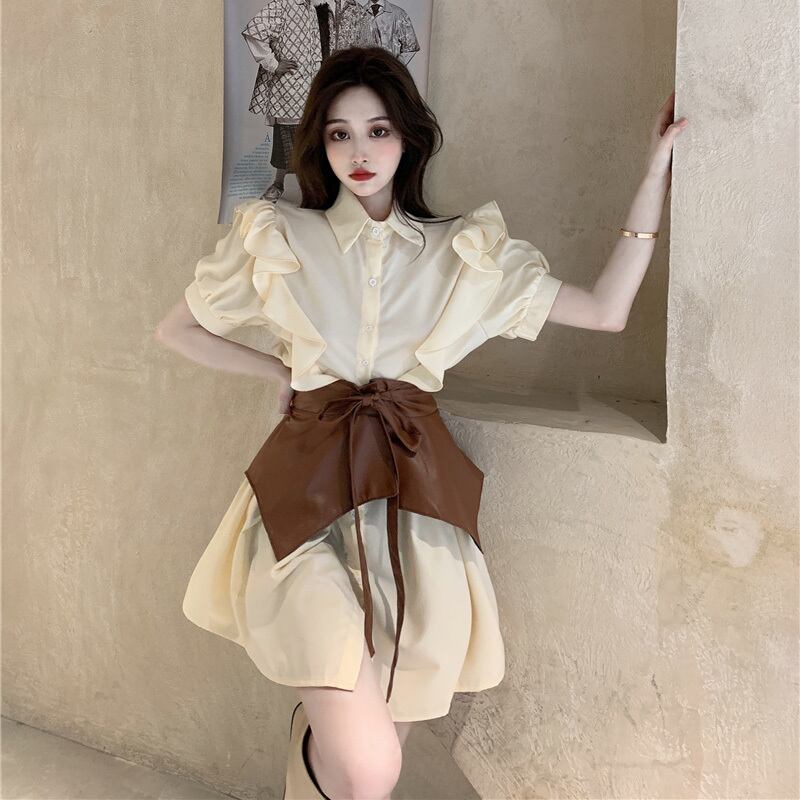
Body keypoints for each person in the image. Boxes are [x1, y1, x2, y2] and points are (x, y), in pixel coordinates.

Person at [155, 46, 687, 800]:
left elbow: (606, 310)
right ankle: (313, 743)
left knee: (365, 770)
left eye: (378, 130)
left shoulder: (463, 254)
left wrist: (655, 171)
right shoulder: (279, 237)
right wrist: (276, 372)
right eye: (339, 134)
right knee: (371, 767)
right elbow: (178, 330)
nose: (360, 152)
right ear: (319, 145)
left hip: (417, 514)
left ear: (408, 137)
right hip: (303, 505)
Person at [242, 0, 377, 202]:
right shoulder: (283, 4)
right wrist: (273, 64)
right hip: (290, 90)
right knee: (289, 138)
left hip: (315, 88)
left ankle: (309, 189)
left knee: (315, 138)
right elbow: (254, 31)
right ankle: (282, 185)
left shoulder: (315, 8)